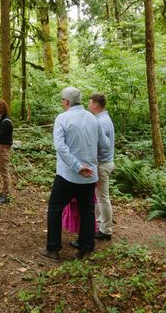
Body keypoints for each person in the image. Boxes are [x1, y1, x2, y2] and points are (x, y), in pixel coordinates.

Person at [39, 87, 110, 262]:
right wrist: (90, 161)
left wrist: (78, 166)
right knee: (87, 211)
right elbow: (106, 146)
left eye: (62, 100)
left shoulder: (62, 118)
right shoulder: (93, 120)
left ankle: (53, 249)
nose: (62, 103)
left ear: (67, 102)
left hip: (68, 176)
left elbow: (60, 147)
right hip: (89, 176)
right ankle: (86, 249)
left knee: (55, 208)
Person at [89, 92, 115, 241]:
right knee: (99, 197)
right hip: (104, 163)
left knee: (103, 198)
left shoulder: (102, 122)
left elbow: (102, 145)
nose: (88, 105)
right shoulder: (102, 118)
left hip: (102, 164)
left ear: (96, 105)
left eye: (90, 102)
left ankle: (106, 230)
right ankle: (101, 225)